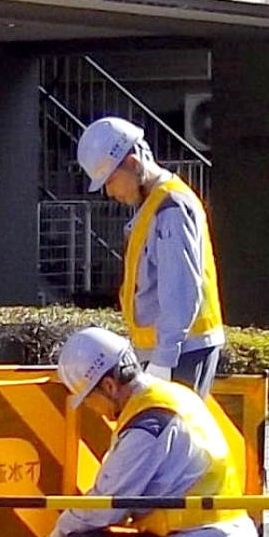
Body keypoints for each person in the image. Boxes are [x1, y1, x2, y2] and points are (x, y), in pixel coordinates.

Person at [24, 327, 261, 537]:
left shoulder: (147, 427)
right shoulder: (174, 396)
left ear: (109, 386)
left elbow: (102, 507)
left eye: (89, 398)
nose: (92, 408)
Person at [76, 116, 225, 397]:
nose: (109, 192)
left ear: (133, 163)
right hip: (174, 350)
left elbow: (179, 290)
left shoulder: (171, 208)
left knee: (172, 423)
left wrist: (164, 359)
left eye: (110, 180)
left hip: (180, 353)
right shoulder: (157, 206)